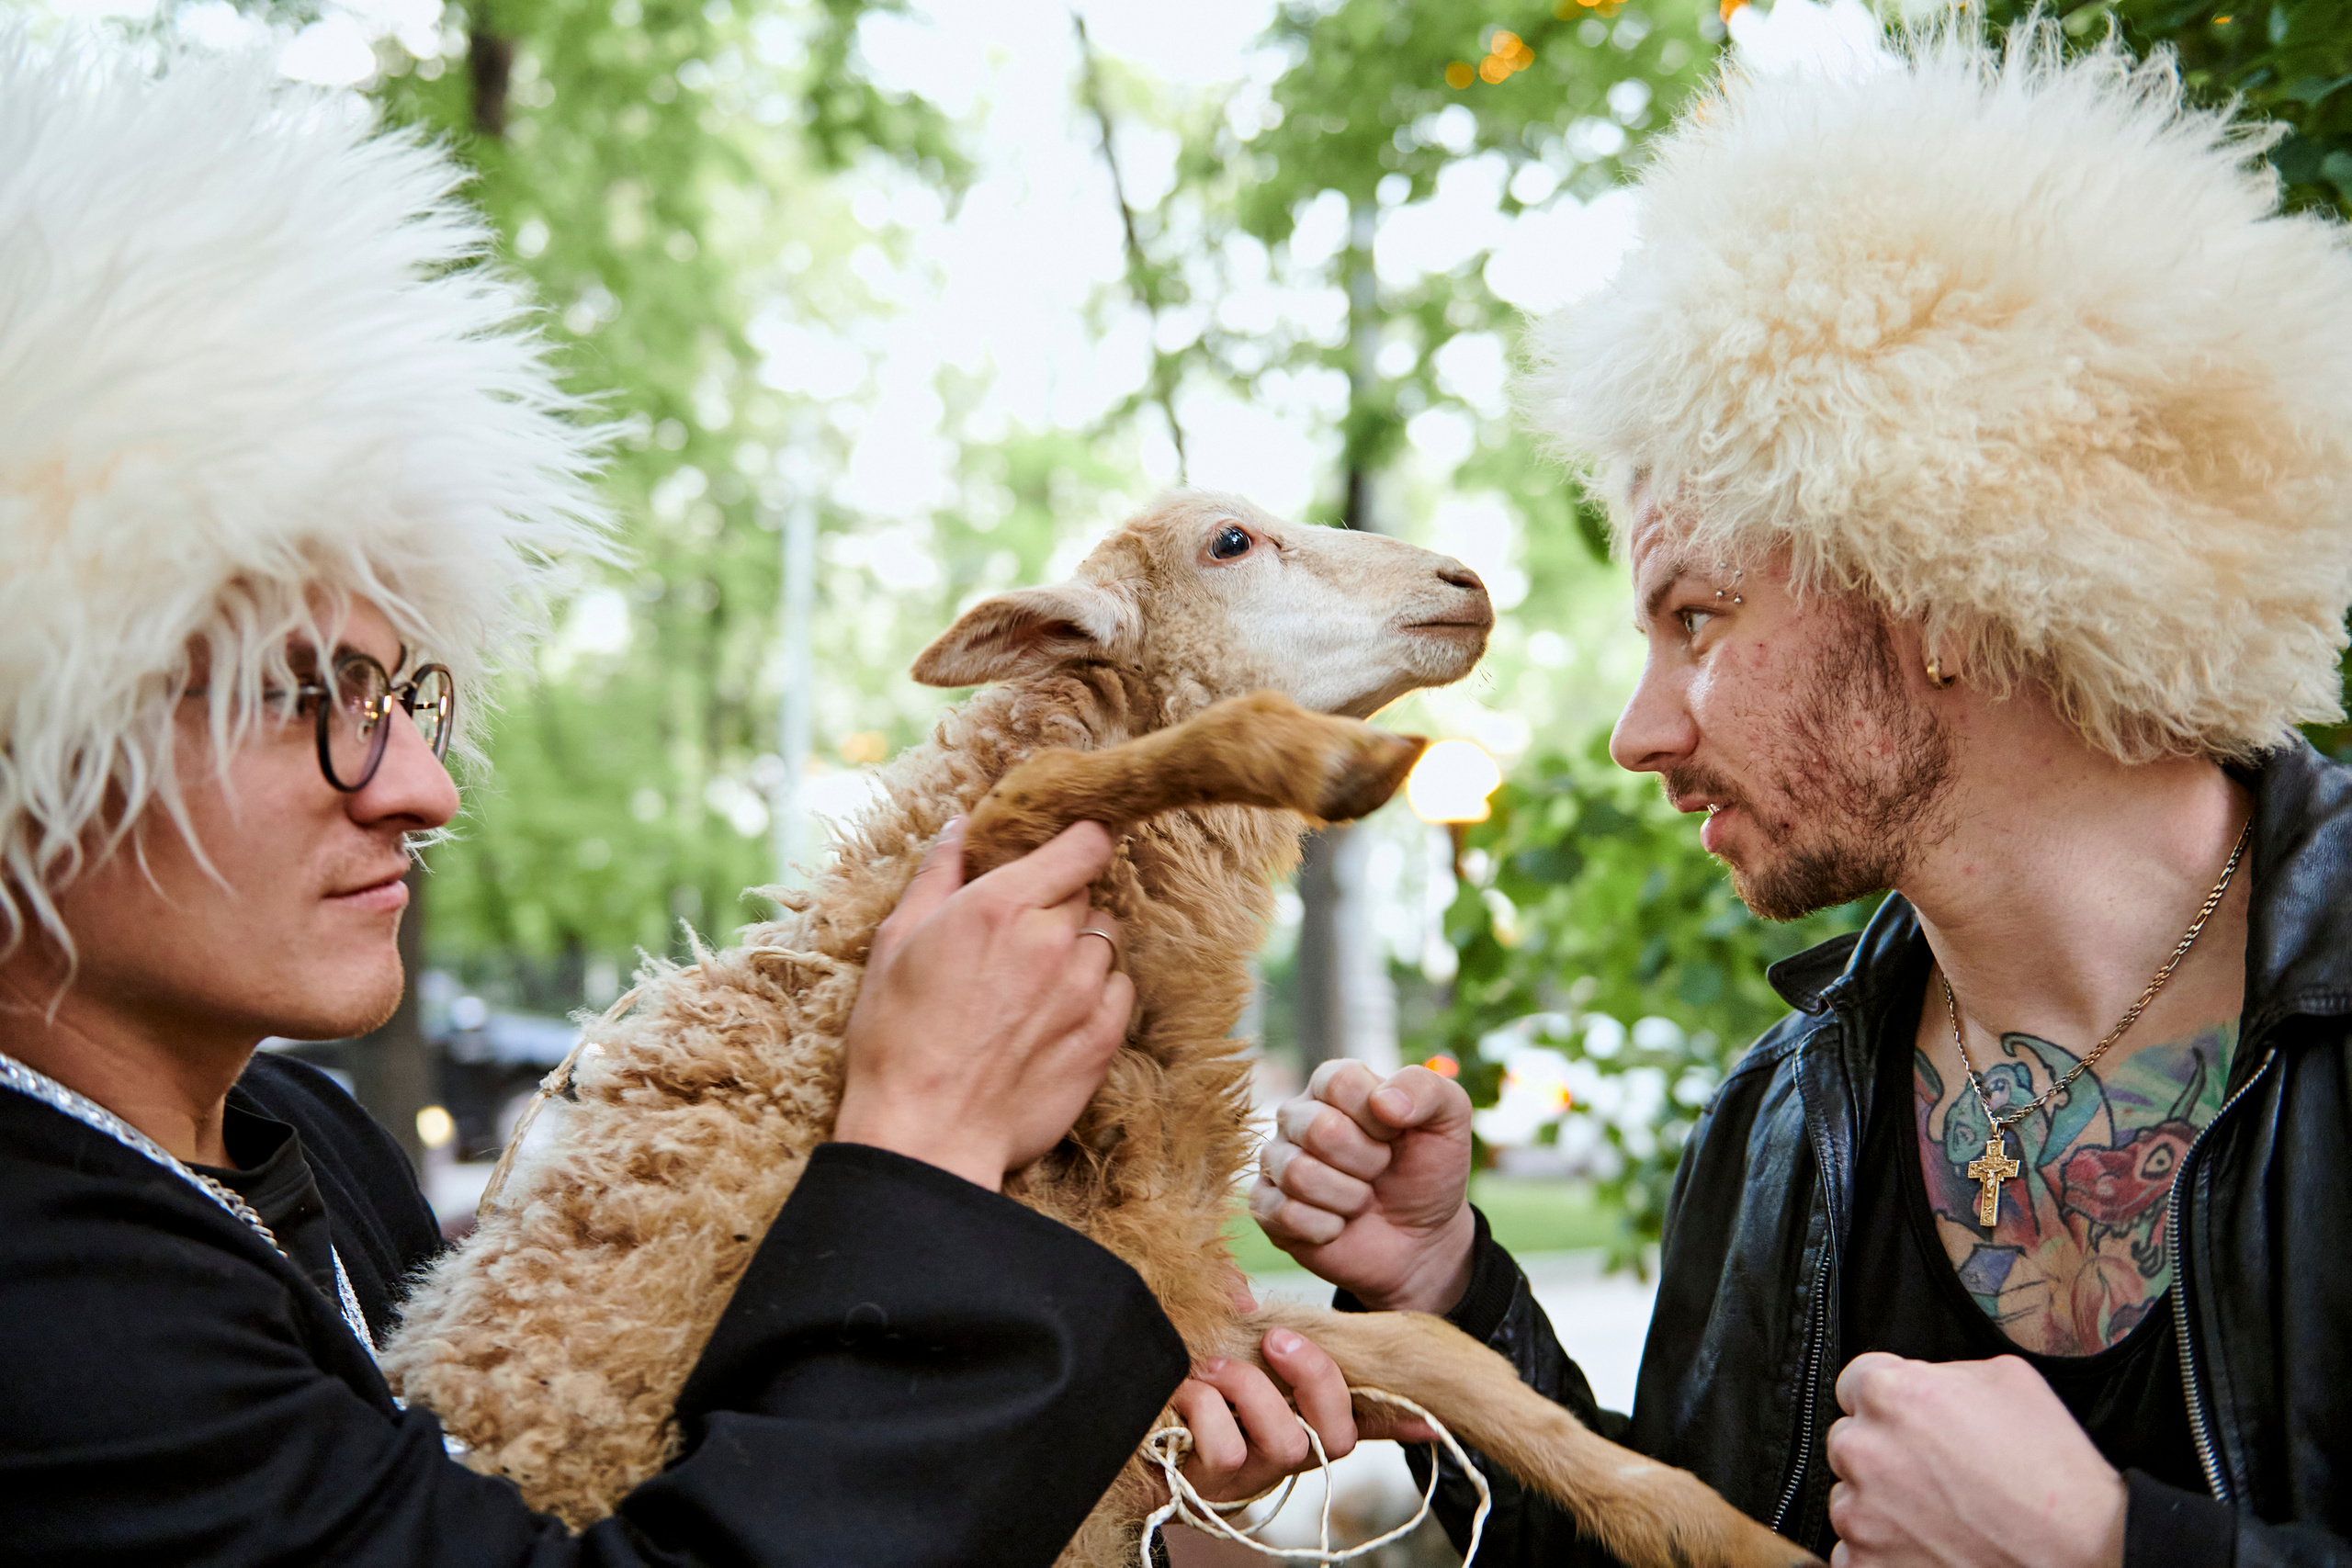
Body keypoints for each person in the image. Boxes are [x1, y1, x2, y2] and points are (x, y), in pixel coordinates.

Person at [0, 29, 1358, 1564]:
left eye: (403, 698)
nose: (425, 790)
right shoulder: (40, 1301)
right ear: (30, 732)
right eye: (307, 700)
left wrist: (1102, 1476)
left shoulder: (303, 1146)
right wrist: (912, 1153)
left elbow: (598, 1498)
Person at [1252, 23, 2352, 1568]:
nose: (1639, 731)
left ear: (1941, 579)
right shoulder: (1785, 1119)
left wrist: (2116, 1550)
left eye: (1694, 618)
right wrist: (1446, 1295)